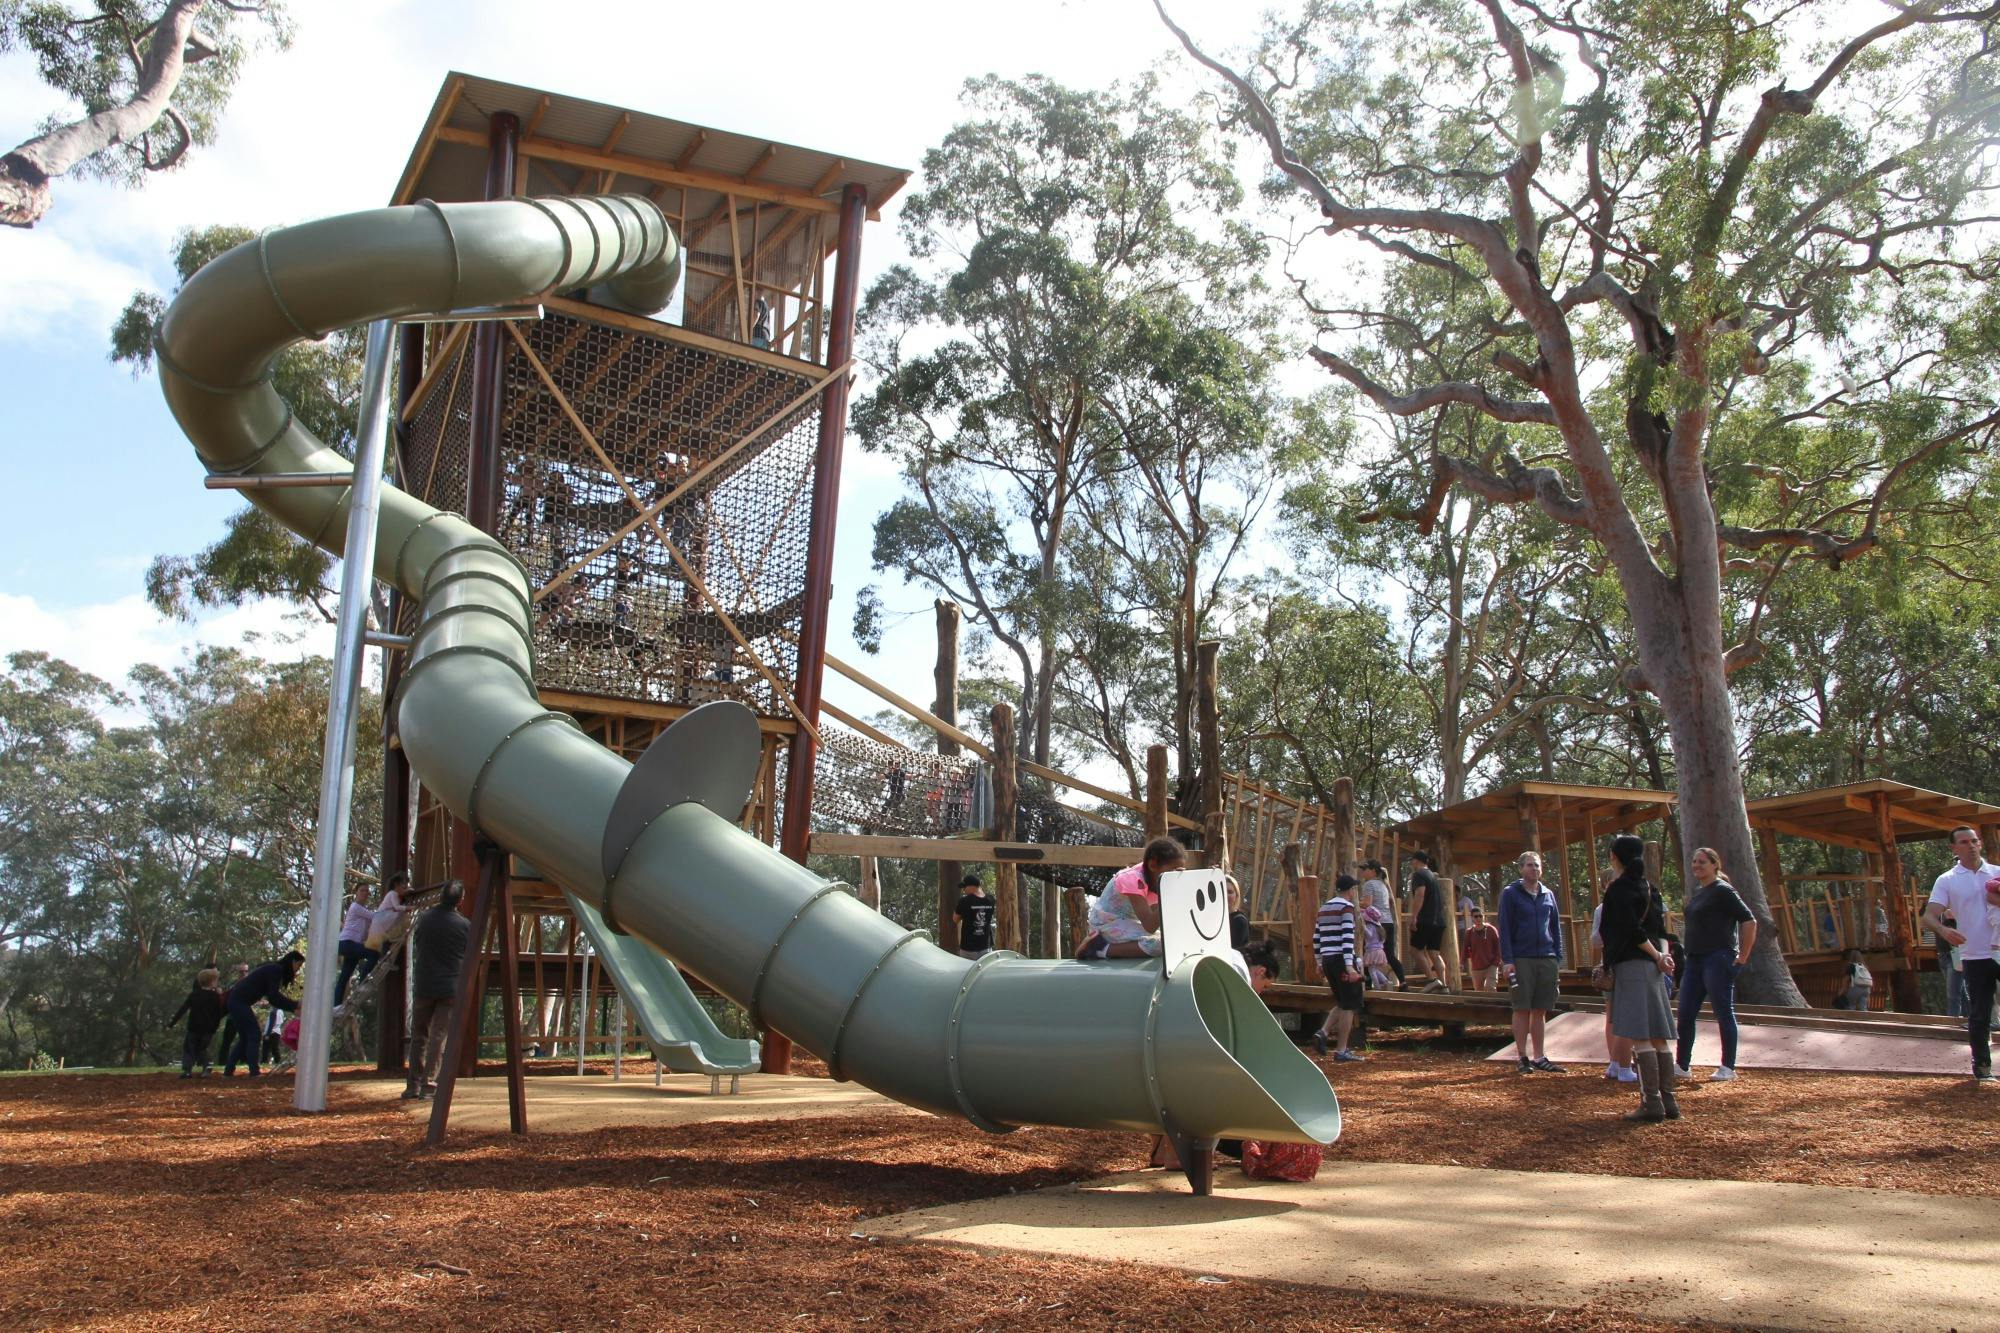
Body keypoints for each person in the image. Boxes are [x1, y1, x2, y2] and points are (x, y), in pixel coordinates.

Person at [1601, 835, 1678, 1120]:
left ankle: (1651, 1103)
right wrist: (1662, 956)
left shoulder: (1618, 890)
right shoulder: (1650, 888)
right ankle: (1669, 1101)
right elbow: (1661, 929)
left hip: (1633, 967)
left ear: (1615, 857)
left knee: (1642, 1037)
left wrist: (1657, 956)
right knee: (1659, 1037)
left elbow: (1633, 931)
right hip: (1654, 968)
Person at [1922, 826, 2000, 1081]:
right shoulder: (1947, 880)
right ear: (1954, 848)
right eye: (1965, 842)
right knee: (1980, 1012)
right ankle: (1982, 1068)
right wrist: (1944, 931)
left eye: (1975, 841)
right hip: (1975, 955)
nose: (1972, 845)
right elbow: (1929, 916)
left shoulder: (1997, 873)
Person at [1673, 846, 1756, 1082]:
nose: (1697, 865)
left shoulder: (1723, 890)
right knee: (1686, 1012)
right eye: (1694, 861)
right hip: (1695, 960)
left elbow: (1749, 921)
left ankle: (1728, 1066)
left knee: (1722, 1011)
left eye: (1702, 861)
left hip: (1718, 957)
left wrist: (1742, 957)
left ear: (1714, 865)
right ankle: (1682, 1065)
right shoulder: (1700, 892)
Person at [1498, 851, 1564, 1073]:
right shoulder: (1511, 894)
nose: (1533, 869)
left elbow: (1555, 927)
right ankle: (1522, 1056)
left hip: (1546, 957)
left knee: (1540, 1008)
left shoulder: (1548, 894)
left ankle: (1540, 1056)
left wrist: (1557, 956)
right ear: (1520, 869)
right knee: (1522, 1007)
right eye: (1529, 865)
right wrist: (1507, 960)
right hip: (1521, 957)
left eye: (1537, 865)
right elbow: (1505, 928)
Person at [405, 882, 471, 1100]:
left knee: (419, 1035)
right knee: (438, 1036)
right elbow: (468, 954)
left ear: (440, 896)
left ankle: (413, 1084)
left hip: (425, 983)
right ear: (460, 900)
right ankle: (429, 1085)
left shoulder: (424, 918)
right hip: (450, 987)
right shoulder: (464, 925)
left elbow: (418, 944)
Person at [1077, 836, 1184, 960]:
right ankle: (1099, 948)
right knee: (1162, 944)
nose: (1175, 876)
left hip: (1127, 922)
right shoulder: (1133, 879)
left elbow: (1159, 917)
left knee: (1175, 938)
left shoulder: (1154, 877)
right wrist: (1170, 894)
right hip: (1107, 925)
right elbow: (1149, 925)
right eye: (1173, 871)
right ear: (1153, 865)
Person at [1310, 875, 1364, 1062]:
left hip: (1327, 959)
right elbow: (1347, 937)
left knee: (1342, 1001)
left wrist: (1319, 962)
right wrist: (1350, 966)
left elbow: (1316, 938)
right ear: (1350, 890)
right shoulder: (1346, 908)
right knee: (1349, 1004)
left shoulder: (1324, 908)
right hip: (1342, 959)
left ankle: (1323, 1032)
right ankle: (1341, 1050)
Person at [224, 951, 302, 1078]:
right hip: (239, 1002)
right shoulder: (276, 970)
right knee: (254, 1034)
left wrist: (293, 1007)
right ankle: (254, 1072)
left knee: (245, 1038)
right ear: (292, 961)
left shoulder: (273, 969)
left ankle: (228, 1071)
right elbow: (274, 997)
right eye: (298, 966)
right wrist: (295, 1005)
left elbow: (273, 997)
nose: (297, 970)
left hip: (236, 1001)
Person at [1593, 902, 1638, 1084]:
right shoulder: (1603, 909)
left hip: (1628, 964)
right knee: (1614, 1016)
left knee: (1625, 1015)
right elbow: (1596, 940)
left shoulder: (1633, 901)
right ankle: (1617, 1063)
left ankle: (1621, 1062)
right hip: (1612, 968)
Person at [167, 968, 227, 1078]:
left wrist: (171, 1023)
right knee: (202, 1049)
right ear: (213, 982)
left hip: (193, 1027)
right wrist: (214, 1027)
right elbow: (218, 1013)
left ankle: (187, 1071)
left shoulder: (194, 995)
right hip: (208, 1029)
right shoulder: (215, 997)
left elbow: (183, 1009)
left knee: (189, 1049)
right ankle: (207, 1066)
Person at [1357, 860, 1407, 988]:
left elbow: (1368, 903)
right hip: (1388, 922)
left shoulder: (1369, 884)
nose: (1363, 872)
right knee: (1390, 954)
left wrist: (1355, 902)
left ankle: (1368, 983)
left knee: (1366, 951)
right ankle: (1403, 982)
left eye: (1365, 869)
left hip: (1376, 925)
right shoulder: (1383, 884)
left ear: (1373, 870)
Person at [1406, 851, 1448, 990]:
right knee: (1434, 953)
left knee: (1414, 950)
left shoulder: (1418, 875)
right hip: (1439, 921)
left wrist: (1414, 916)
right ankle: (1444, 985)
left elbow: (1420, 894)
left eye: (1412, 860)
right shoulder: (1432, 876)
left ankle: (1431, 979)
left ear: (1417, 861)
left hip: (1425, 919)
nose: (1411, 863)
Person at [334, 883, 379, 1007]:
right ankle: (362, 983)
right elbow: (375, 916)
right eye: (362, 890)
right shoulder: (355, 907)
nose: (365, 893)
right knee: (373, 953)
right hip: (346, 943)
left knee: (345, 976)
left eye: (367, 891)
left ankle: (336, 1005)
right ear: (356, 893)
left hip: (351, 945)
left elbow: (370, 927)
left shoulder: (362, 912)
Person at [954, 872, 996, 960]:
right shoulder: (991, 899)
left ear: (970, 886)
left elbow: (955, 919)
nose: (963, 890)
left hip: (968, 949)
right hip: (986, 947)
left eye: (964, 887)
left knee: (967, 972)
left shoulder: (964, 901)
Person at [1462, 906, 1501, 991]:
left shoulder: (1491, 930)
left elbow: (1499, 947)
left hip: (1491, 965)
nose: (1479, 918)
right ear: (1472, 918)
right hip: (1476, 967)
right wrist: (1462, 963)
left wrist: (1496, 962)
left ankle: (1492, 1004)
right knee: (1479, 992)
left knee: (1490, 987)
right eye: (1476, 916)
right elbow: (1465, 949)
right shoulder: (1469, 932)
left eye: (1480, 916)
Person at [1362, 906, 1395, 989]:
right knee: (1375, 969)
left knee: (1371, 970)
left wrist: (1363, 927)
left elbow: (1369, 935)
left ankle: (1377, 987)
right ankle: (1386, 982)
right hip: (1379, 950)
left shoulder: (1370, 925)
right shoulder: (1379, 928)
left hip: (1372, 951)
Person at [1225, 875, 1250, 953]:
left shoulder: (1239, 921)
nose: (1226, 895)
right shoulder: (1213, 917)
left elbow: (1234, 952)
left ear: (1237, 896)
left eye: (1230, 892)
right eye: (1223, 890)